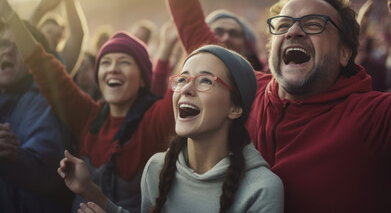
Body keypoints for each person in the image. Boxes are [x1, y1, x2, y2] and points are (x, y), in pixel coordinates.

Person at [163, 0, 391, 212]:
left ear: (345, 53)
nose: (293, 31)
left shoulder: (377, 119)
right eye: (282, 24)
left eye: (313, 24)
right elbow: (196, 32)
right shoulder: (248, 89)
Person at [0, 0, 175, 212]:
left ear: (143, 77)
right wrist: (10, 15)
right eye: (105, 63)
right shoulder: (87, 116)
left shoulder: (156, 119)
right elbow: (41, 64)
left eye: (124, 62)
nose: (112, 68)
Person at [57, 45, 284, 213]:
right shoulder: (156, 167)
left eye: (205, 81)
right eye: (182, 80)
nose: (186, 89)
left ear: (235, 108)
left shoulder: (262, 190)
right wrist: (91, 192)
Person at [0, 19, 72, 212]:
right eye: (4, 44)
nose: (6, 51)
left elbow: (45, 170)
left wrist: (11, 156)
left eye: (19, 47)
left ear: (34, 59)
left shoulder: (45, 102)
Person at [30, 0, 88, 77]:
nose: (52, 37)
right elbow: (21, 33)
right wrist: (41, 9)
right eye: (48, 32)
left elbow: (77, 33)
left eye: (57, 35)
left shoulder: (61, 63)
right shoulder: (25, 58)